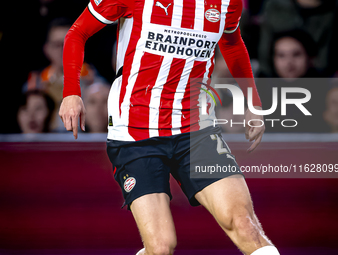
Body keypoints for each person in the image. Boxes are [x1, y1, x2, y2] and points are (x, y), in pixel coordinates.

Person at [59, 1, 280, 255]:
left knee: (244, 225)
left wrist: (253, 102)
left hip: (197, 131)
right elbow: (77, 32)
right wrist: (71, 93)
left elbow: (231, 43)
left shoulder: (227, 3)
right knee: (161, 248)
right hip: (136, 132)